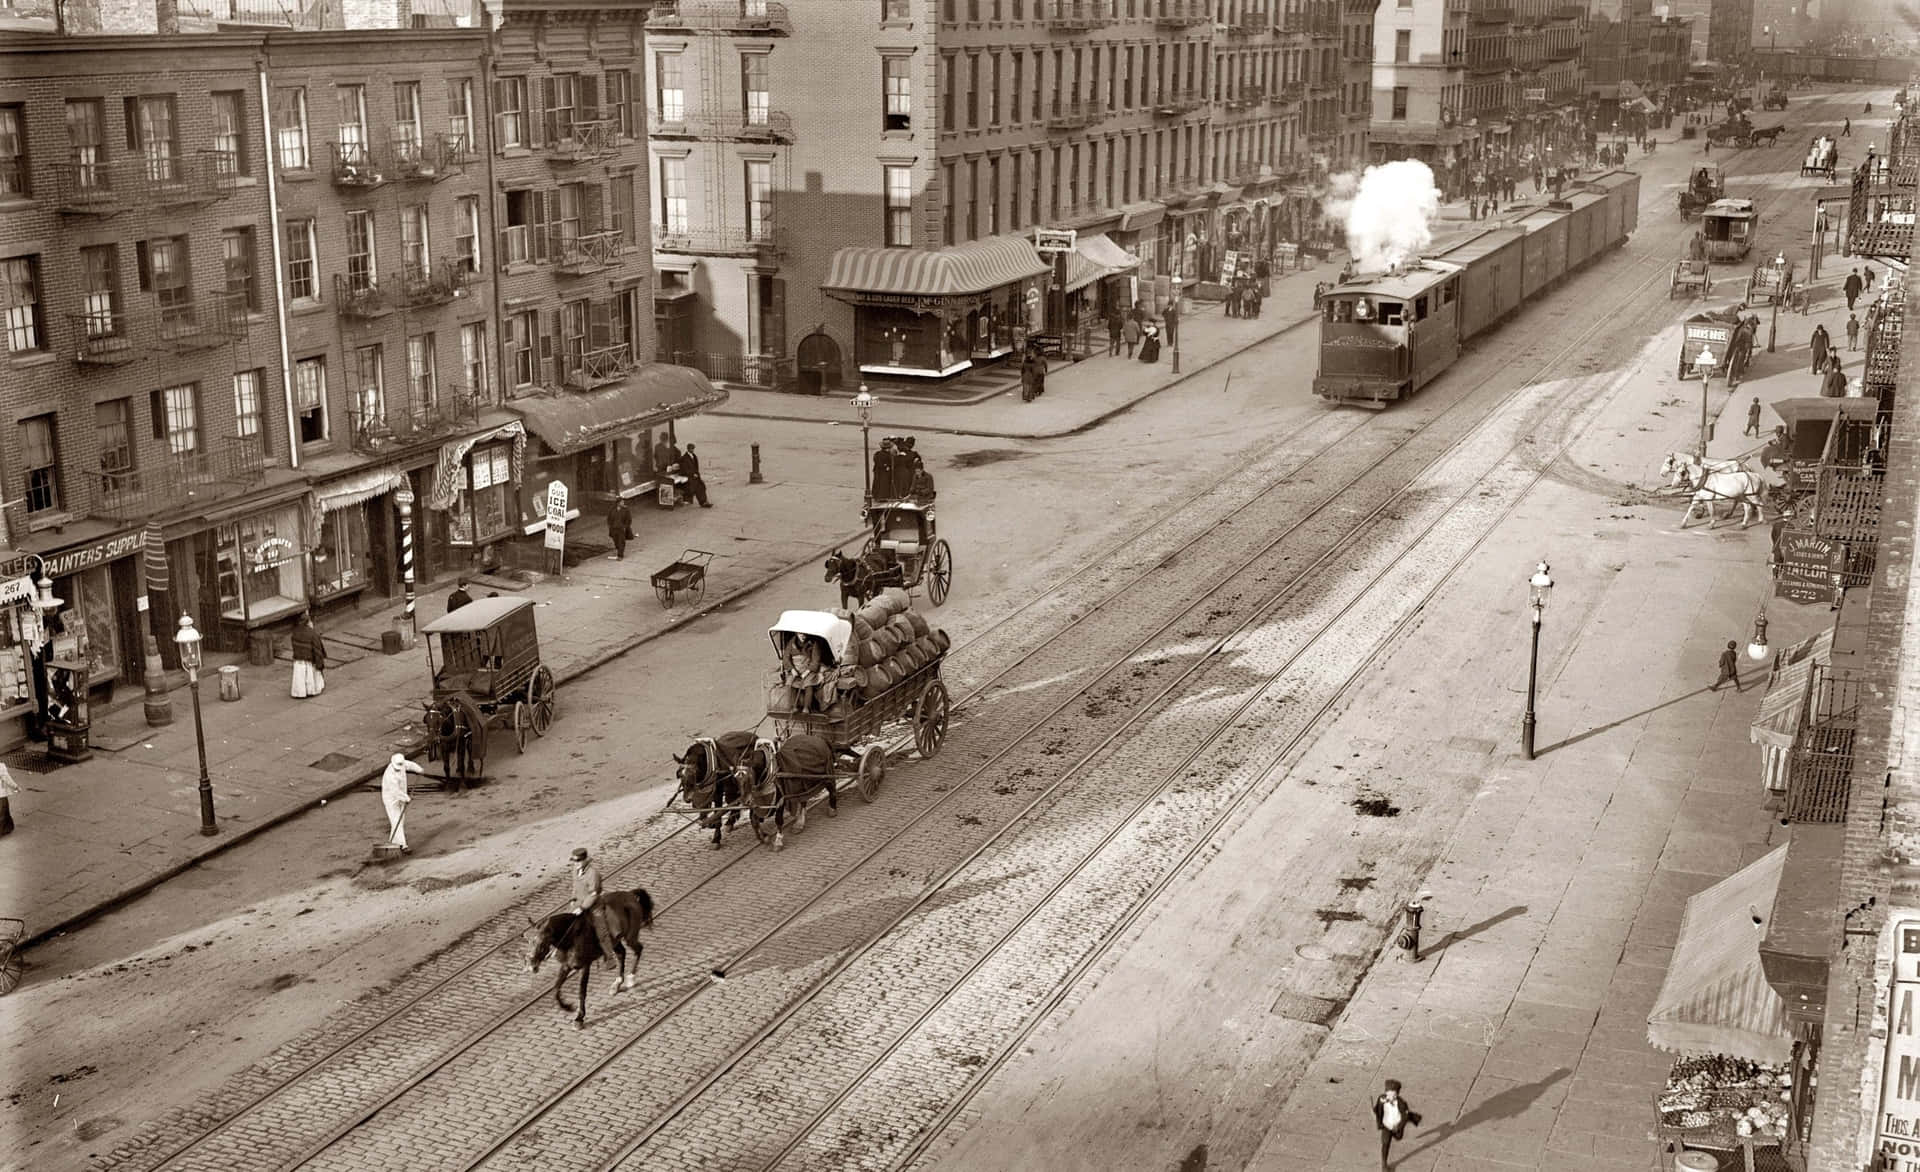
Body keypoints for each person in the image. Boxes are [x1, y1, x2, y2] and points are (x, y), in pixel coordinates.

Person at [569, 846, 618, 981]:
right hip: (579, 903)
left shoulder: (593, 874)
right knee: (568, 926)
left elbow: (594, 894)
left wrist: (583, 908)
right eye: (574, 861)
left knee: (601, 931)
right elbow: (574, 887)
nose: (576, 863)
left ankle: (610, 958)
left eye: (578, 861)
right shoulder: (575, 870)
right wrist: (573, 900)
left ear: (585, 860)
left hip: (594, 906)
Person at [1372, 1080, 1420, 1170]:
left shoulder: (1401, 1103)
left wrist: (1401, 1124)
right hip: (1386, 1125)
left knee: (1398, 1137)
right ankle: (1384, 1164)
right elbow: (1378, 1108)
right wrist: (1375, 1111)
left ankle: (1412, 1118)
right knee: (1385, 1143)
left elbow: (1403, 1115)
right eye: (1390, 1095)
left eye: (1394, 1095)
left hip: (1397, 1124)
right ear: (1386, 1092)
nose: (1392, 1097)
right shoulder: (1381, 1099)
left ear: (1397, 1094)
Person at [381, 753, 422, 853]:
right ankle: (403, 846)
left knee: (400, 820)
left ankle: (395, 841)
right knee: (396, 820)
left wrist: (419, 769)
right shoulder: (390, 775)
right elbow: (395, 791)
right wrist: (406, 798)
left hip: (402, 795)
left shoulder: (402, 764)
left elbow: (410, 765)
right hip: (391, 799)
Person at [290, 612, 326, 699]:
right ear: (308, 622)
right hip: (309, 660)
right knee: (310, 677)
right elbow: (317, 651)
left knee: (299, 678)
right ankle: (311, 691)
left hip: (298, 660)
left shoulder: (295, 632)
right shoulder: (313, 634)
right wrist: (320, 664)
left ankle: (299, 693)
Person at [680, 442, 711, 507]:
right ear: (688, 449)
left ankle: (704, 501)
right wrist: (693, 474)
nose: (692, 450)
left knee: (701, 485)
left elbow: (696, 467)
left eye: (693, 449)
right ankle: (703, 502)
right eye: (691, 449)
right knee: (698, 486)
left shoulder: (694, 456)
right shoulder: (684, 458)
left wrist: (697, 474)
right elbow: (685, 469)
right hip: (689, 476)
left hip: (694, 476)